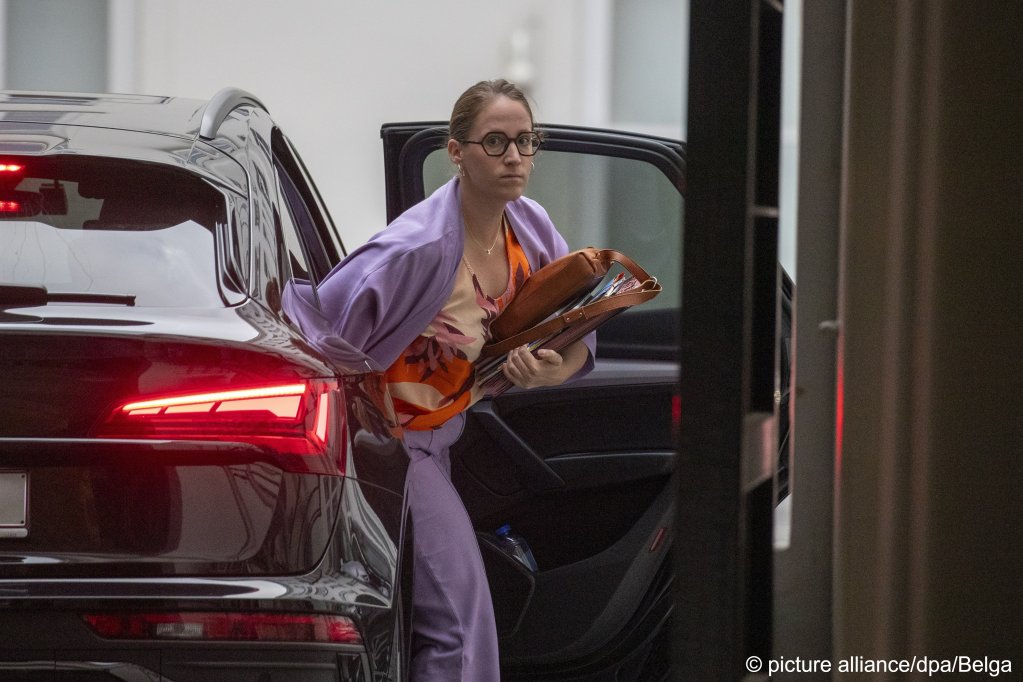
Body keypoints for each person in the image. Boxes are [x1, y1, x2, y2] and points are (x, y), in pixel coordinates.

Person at [284, 79, 594, 680]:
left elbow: (579, 333)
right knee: (458, 618)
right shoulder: (416, 249)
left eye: (526, 141)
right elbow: (313, 334)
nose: (514, 157)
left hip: (445, 437)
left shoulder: (530, 228)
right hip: (393, 448)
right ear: (456, 151)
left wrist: (551, 370)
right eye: (496, 142)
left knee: (450, 617)